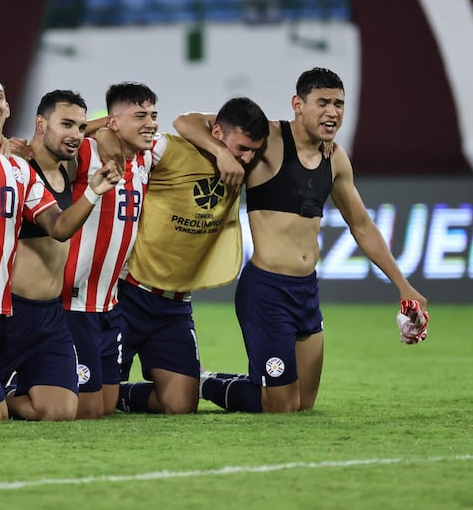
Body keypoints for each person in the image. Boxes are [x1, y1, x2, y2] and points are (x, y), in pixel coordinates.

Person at [175, 67, 429, 413]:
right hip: (267, 291)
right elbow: (186, 122)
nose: (333, 111)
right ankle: (206, 382)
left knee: (303, 403)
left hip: (307, 291)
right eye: (322, 102)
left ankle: (245, 384)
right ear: (298, 104)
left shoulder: (336, 158)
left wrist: (403, 285)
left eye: (339, 103)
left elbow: (362, 226)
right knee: (280, 405)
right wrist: (219, 152)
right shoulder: (269, 138)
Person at [0, 67, 121, 421]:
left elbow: (59, 228)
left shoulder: (29, 171)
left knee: (63, 411)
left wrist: (95, 183)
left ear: (9, 107)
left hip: (40, 313)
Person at [113, 97, 269, 415]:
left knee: (180, 405)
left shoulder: (246, 165)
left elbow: (193, 122)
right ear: (216, 134)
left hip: (174, 305)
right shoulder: (169, 150)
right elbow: (180, 121)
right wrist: (223, 154)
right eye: (241, 148)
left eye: (254, 150)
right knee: (92, 406)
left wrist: (230, 153)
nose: (249, 158)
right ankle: (101, 392)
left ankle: (119, 394)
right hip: (128, 294)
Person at [60, 82, 157, 419]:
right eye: (140, 115)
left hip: (110, 303)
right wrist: (101, 130)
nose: (151, 123)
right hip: (73, 301)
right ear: (113, 122)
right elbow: (59, 137)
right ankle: (11, 390)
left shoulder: (145, 158)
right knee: (87, 410)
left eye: (153, 115)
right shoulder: (86, 151)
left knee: (106, 405)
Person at [0, 90, 91, 421]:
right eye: (66, 124)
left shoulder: (70, 164)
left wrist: (81, 128)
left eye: (81, 127)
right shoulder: (15, 167)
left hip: (51, 314)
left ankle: (6, 395)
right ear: (40, 123)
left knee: (60, 411)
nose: (76, 135)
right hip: (12, 311)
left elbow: (102, 133)